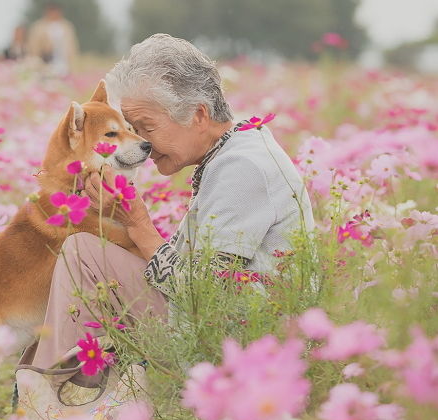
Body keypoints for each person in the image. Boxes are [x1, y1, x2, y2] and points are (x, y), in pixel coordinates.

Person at [24, 32, 315, 382]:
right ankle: (62, 388)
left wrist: (139, 225)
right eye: (132, 129)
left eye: (146, 127)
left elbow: (206, 296)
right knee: (85, 251)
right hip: (233, 325)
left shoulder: (243, 167)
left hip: (245, 341)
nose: (142, 144)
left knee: (84, 254)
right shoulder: (234, 151)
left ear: (198, 115)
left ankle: (52, 398)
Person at [26, 3, 79, 77]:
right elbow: (33, 47)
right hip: (45, 63)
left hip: (64, 63)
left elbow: (72, 47)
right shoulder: (38, 27)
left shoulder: (67, 27)